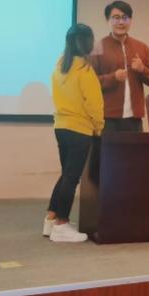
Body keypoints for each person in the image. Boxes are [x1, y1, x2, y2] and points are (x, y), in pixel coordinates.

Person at [43, 23, 104, 242]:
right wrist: (99, 128)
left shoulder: (60, 65)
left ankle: (51, 219)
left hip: (60, 126)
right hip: (79, 129)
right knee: (71, 178)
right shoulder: (85, 70)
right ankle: (61, 225)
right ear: (87, 43)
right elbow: (94, 105)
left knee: (66, 175)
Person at [89, 0, 149, 132]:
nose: (121, 22)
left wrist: (142, 69)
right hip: (107, 117)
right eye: (116, 18)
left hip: (134, 118)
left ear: (130, 20)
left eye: (125, 18)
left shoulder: (142, 47)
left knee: (136, 147)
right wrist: (113, 77)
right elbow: (90, 82)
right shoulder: (97, 47)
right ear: (108, 20)